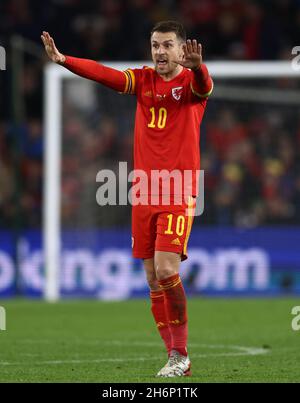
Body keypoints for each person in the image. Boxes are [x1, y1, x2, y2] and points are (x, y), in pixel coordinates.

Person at [41, 20, 213, 377]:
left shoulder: (190, 85)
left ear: (182, 50)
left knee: (167, 269)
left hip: (178, 189)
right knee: (152, 278)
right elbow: (106, 75)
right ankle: (174, 357)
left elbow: (204, 86)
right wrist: (63, 59)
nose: (160, 52)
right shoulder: (143, 81)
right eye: (155, 45)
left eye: (167, 45)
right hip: (144, 192)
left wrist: (199, 69)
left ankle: (181, 354)